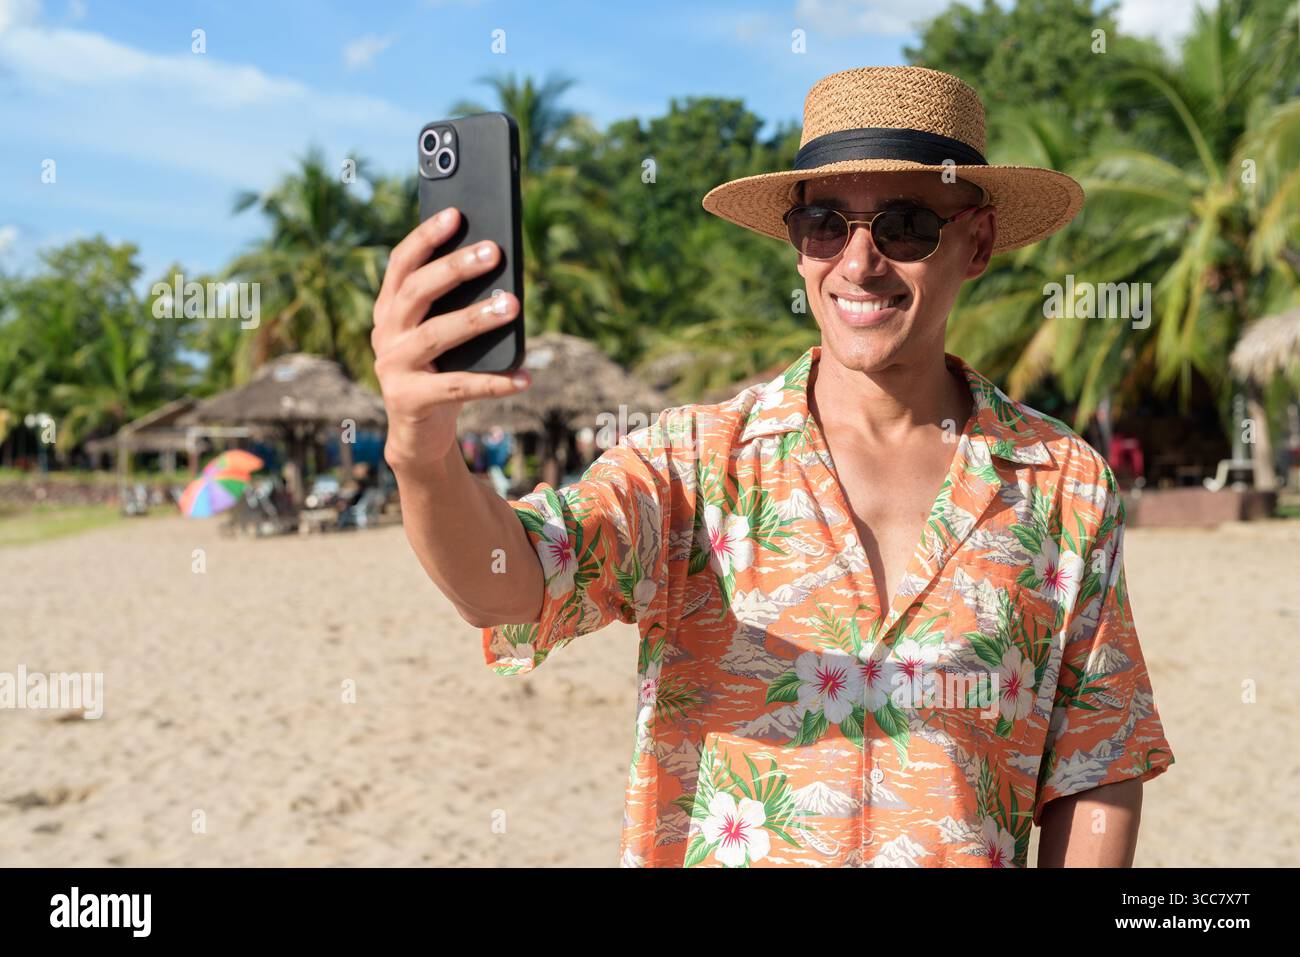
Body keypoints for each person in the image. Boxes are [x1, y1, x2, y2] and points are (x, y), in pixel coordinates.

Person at [371, 66, 1174, 868]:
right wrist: (423, 452)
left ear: (979, 241)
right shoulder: (693, 463)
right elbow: (509, 581)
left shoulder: (1063, 483)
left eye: (904, 226)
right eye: (826, 223)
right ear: (797, 246)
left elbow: (1095, 760)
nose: (859, 263)